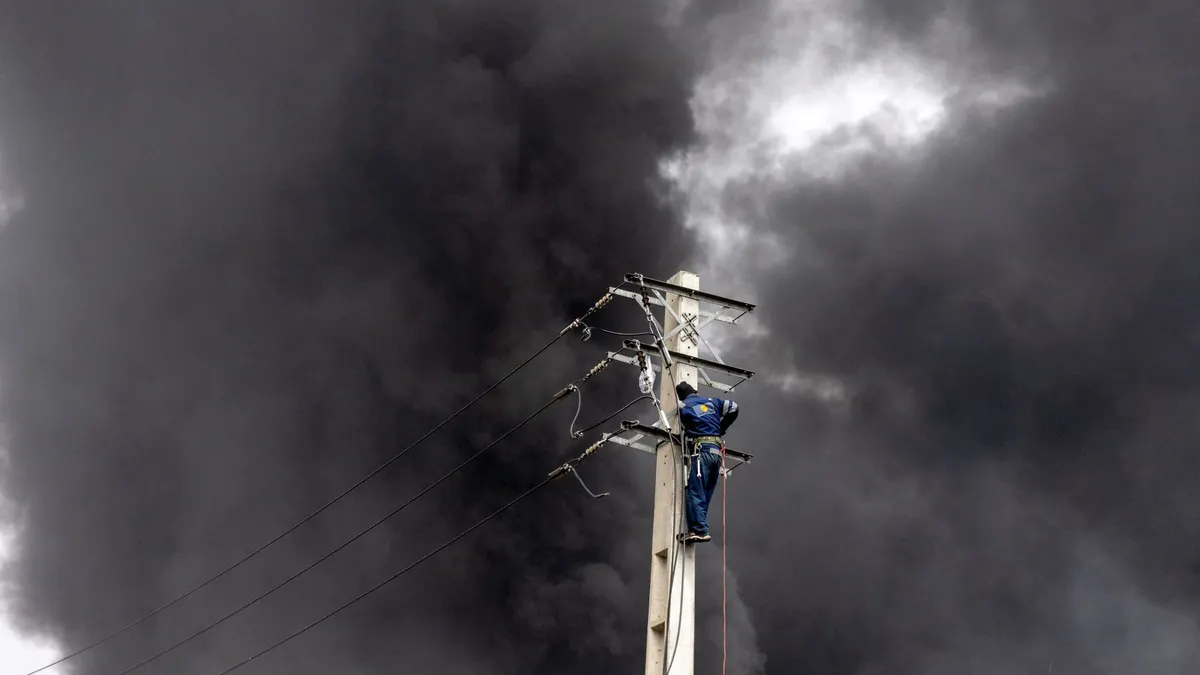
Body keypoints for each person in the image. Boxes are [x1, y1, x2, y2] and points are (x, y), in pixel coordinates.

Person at [674, 381, 738, 544]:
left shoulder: (683, 406)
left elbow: (681, 427)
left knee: (695, 492)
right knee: (704, 494)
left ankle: (699, 530)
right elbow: (733, 406)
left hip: (701, 452)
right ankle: (699, 528)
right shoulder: (713, 402)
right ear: (695, 392)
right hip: (716, 454)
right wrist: (721, 428)